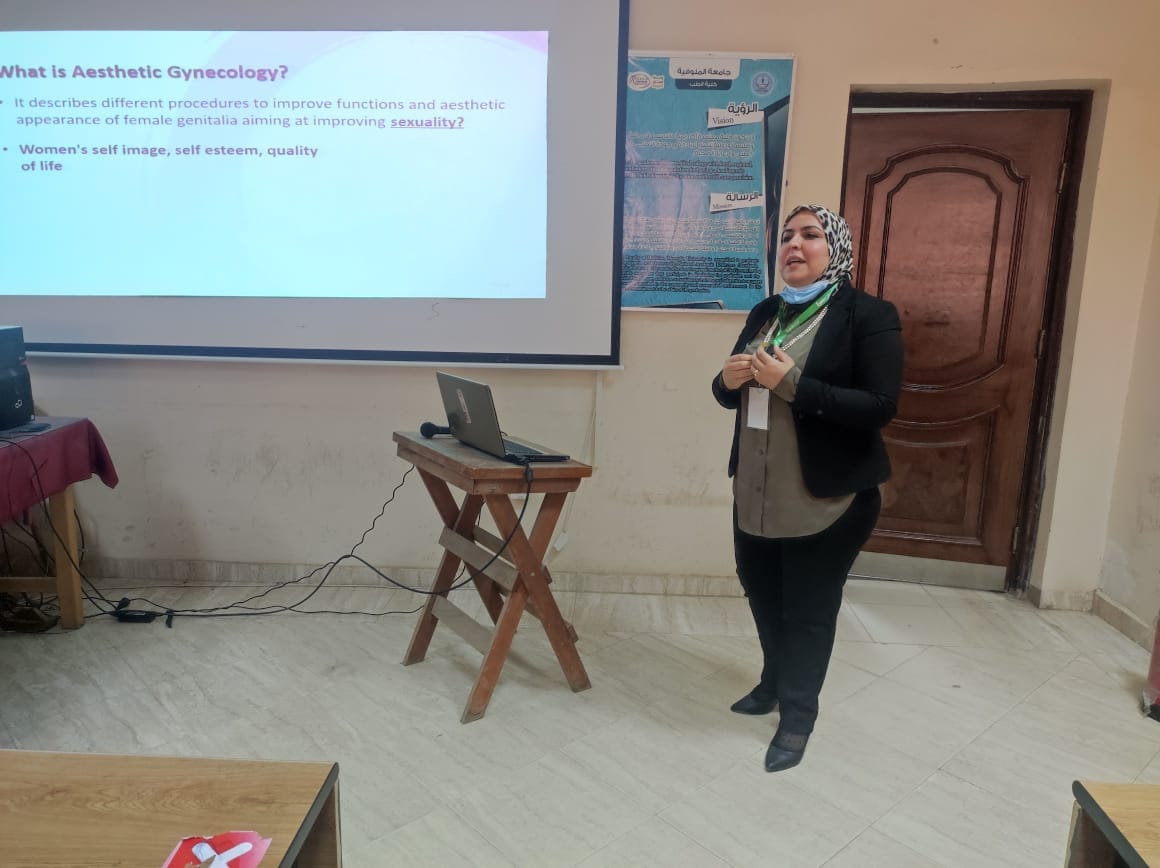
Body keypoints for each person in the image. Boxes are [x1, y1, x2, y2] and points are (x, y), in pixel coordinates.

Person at [711, 204, 903, 772]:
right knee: (762, 593)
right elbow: (731, 393)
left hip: (827, 499)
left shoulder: (868, 315)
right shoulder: (766, 311)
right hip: (756, 492)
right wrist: (724, 382)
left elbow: (879, 406)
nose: (794, 244)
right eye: (788, 236)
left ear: (835, 248)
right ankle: (773, 683)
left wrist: (792, 383)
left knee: (808, 610)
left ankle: (798, 717)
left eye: (811, 235)